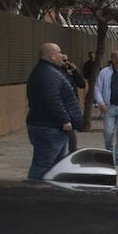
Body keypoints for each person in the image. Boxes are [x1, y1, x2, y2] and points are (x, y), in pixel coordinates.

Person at [25, 42, 82, 180]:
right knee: (43, 164)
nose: (62, 56)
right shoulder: (48, 74)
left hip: (50, 126)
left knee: (53, 165)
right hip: (48, 127)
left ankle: (47, 191)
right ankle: (33, 191)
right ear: (52, 56)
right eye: (59, 52)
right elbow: (52, 99)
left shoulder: (49, 72)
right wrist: (65, 120)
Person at [94, 51, 118, 167]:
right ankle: (108, 155)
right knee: (108, 133)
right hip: (109, 108)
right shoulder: (104, 73)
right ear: (113, 58)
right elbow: (97, 88)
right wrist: (100, 103)